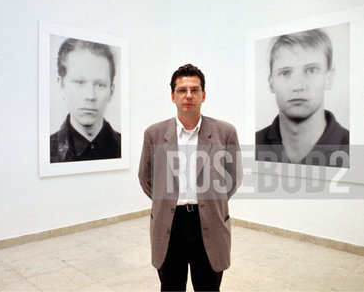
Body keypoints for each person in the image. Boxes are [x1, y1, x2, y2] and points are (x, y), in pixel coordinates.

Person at [138, 64, 242, 291]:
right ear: (172, 96)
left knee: (208, 287)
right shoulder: (154, 134)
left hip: (209, 223)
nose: (188, 95)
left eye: (194, 90)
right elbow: (146, 178)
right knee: (171, 286)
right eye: (182, 90)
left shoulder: (225, 132)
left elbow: (233, 178)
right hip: (170, 223)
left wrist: (210, 199)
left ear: (203, 95)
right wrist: (166, 200)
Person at [256, 28, 349, 167]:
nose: (297, 86)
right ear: (271, 82)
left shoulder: (352, 146)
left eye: (311, 70)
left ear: (329, 78)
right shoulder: (255, 143)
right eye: (285, 73)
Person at [50, 38, 121, 163]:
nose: (90, 96)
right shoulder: (48, 150)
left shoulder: (127, 146)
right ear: (61, 85)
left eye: (100, 85)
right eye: (79, 82)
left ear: (111, 90)